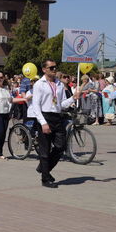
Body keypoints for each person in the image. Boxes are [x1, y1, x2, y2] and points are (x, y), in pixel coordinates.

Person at [32, 59, 78, 188]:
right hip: (45, 117)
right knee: (45, 150)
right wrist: (43, 123)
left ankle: (43, 168)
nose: (54, 70)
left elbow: (62, 104)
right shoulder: (39, 84)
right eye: (51, 68)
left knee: (60, 147)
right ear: (44, 69)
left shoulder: (59, 84)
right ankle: (45, 179)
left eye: (55, 67)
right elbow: (36, 106)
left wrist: (73, 98)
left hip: (57, 117)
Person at [0, 71, 27, 160]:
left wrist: (23, 99)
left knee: (3, 134)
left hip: (6, 114)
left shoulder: (5, 88)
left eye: (1, 77)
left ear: (4, 78)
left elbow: (11, 100)